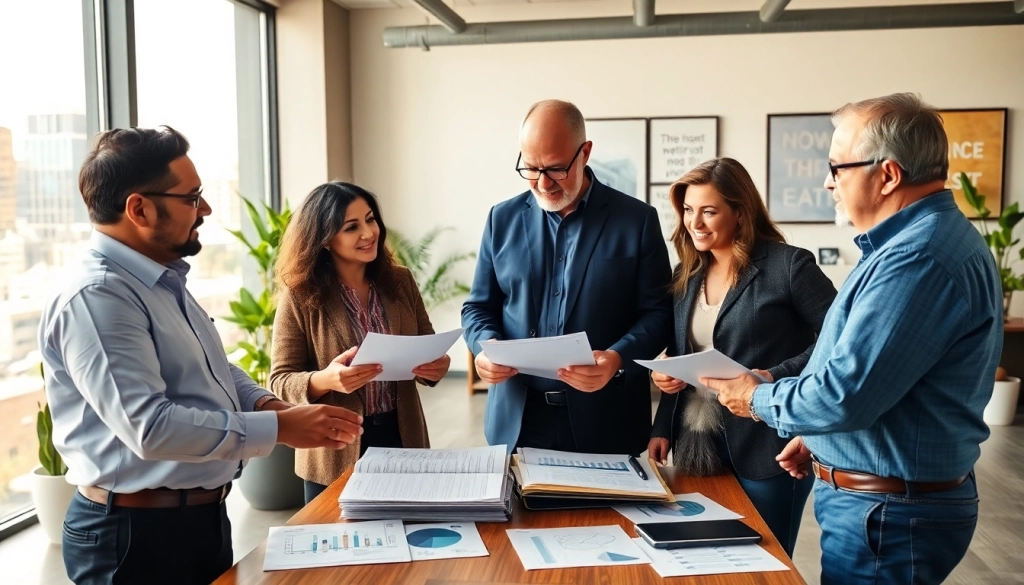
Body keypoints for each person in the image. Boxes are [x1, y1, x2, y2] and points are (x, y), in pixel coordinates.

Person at [39, 127, 364, 585]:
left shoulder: (161, 280)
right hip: (134, 537)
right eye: (192, 198)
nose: (205, 209)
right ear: (139, 208)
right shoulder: (99, 297)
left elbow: (215, 368)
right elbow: (150, 428)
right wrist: (281, 427)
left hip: (198, 520)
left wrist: (268, 405)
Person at [706, 93, 1003, 584]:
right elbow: (879, 379)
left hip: (887, 513)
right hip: (888, 503)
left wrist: (755, 397)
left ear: (886, 174)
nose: (828, 182)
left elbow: (844, 396)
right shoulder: (915, 245)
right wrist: (824, 436)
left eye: (837, 167)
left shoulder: (917, 259)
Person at [647, 157, 836, 557]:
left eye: (709, 211)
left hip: (769, 445)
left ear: (740, 212)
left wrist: (774, 376)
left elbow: (841, 340)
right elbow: (683, 354)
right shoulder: (687, 274)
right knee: (706, 558)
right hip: (697, 443)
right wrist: (662, 418)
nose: (694, 223)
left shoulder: (789, 266)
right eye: (687, 210)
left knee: (764, 561)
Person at [462, 99, 672, 455]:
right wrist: (484, 349)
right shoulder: (502, 219)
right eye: (531, 168)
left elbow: (660, 313)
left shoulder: (636, 221)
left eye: (556, 169)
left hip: (607, 420)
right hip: (517, 422)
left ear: (585, 153)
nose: (542, 184)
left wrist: (618, 359)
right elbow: (478, 307)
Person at [270, 182, 450, 503]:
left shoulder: (400, 280)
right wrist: (327, 379)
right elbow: (279, 382)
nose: (369, 233)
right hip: (334, 449)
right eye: (352, 227)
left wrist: (436, 366)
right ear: (324, 240)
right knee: (342, 547)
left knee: (409, 540)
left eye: (370, 220)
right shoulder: (300, 294)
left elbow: (427, 345)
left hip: (402, 437)